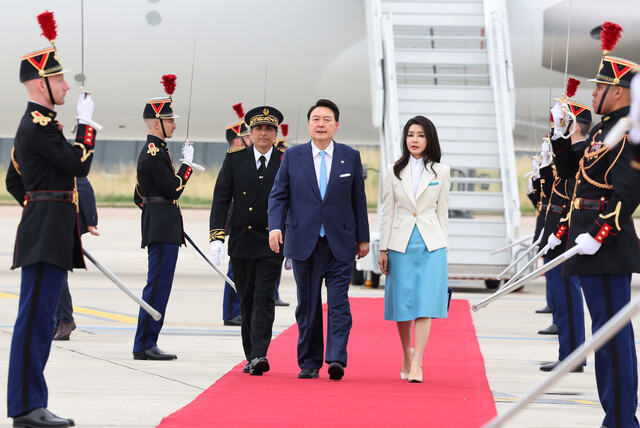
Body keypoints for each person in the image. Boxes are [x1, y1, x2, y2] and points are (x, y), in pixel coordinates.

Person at [5, 11, 98, 427]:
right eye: (59, 80)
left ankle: (32, 402)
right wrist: (86, 127)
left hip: (49, 228)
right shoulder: (38, 125)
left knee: (42, 319)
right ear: (40, 84)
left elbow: (14, 179)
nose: (66, 86)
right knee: (35, 319)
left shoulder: (40, 126)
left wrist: (38, 202)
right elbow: (78, 164)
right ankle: (26, 406)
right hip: (46, 230)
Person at [547, 22, 640, 428]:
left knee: (611, 336)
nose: (592, 95)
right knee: (604, 333)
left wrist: (600, 234)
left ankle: (622, 420)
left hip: (605, 247)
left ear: (617, 91)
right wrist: (560, 134)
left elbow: (628, 193)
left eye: (598, 88)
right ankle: (615, 416)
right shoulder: (604, 130)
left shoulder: (627, 132)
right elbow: (568, 170)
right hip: (589, 247)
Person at [268, 99, 370, 381]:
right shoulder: (293, 156)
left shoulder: (350, 156)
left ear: (336, 125)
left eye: (327, 119)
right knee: (308, 305)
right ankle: (310, 362)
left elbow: (358, 200)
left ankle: (336, 357)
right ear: (309, 124)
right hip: (304, 243)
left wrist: (363, 238)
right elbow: (278, 195)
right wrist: (274, 228)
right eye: (316, 119)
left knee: (339, 304)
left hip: (340, 243)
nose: (321, 124)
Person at [210, 106, 285, 375]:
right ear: (250, 133)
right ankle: (250, 354)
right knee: (247, 299)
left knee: (264, 298)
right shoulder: (234, 159)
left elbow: (295, 202)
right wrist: (216, 237)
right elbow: (221, 199)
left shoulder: (286, 159)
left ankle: (259, 354)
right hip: (242, 239)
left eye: (268, 129)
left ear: (275, 134)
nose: (263, 133)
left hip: (272, 240)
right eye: (258, 129)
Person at [377, 116, 450, 383]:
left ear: (429, 139)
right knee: (403, 305)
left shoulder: (441, 171)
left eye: (420, 135)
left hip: (431, 245)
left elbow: (443, 212)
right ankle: (406, 356)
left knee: (424, 304)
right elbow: (388, 212)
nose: (414, 140)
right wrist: (383, 248)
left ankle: (417, 361)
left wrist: (445, 248)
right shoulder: (393, 170)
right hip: (400, 244)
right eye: (410, 135)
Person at [132, 75, 195, 361]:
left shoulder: (156, 152)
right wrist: (187, 167)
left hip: (161, 225)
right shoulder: (154, 152)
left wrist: (156, 209)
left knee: (160, 285)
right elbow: (173, 190)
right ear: (157, 123)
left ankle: (148, 341)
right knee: (157, 285)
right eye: (170, 121)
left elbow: (138, 196)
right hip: (161, 228)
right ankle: (145, 343)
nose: (174, 125)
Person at [538, 94, 591, 372]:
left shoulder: (582, 153)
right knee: (562, 296)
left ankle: (571, 356)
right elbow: (553, 194)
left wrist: (558, 232)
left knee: (568, 297)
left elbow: (571, 201)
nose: (556, 126)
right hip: (556, 233)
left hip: (565, 235)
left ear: (575, 126)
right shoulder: (570, 155)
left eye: (563, 122)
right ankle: (567, 354)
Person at [53, 176, 100, 340]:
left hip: (65, 220)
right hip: (51, 219)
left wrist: (91, 220)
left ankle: (65, 320)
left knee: (56, 271)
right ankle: (59, 320)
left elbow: (82, 185)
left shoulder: (63, 153)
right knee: (55, 271)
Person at [219, 102, 252, 327]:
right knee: (235, 268)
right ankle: (231, 312)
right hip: (237, 217)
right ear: (239, 140)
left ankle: (236, 309)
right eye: (249, 137)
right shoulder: (235, 159)